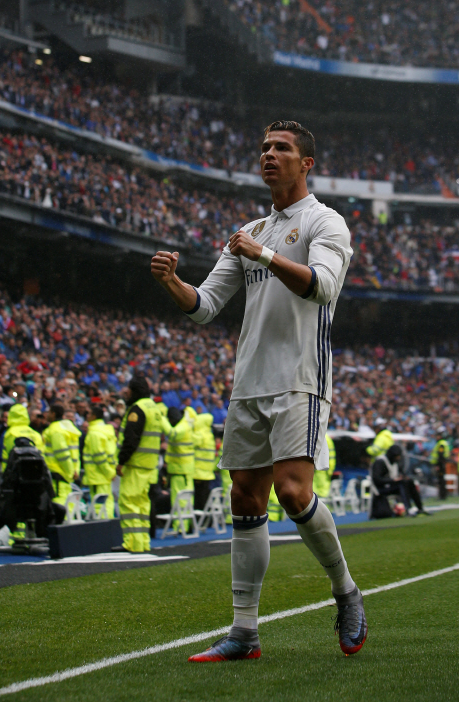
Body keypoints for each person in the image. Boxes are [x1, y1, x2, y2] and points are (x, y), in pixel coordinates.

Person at [151, 119, 366, 662]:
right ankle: (244, 633)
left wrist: (263, 255)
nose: (270, 155)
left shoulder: (326, 222)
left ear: (306, 163)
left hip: (300, 377)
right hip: (249, 382)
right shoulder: (249, 231)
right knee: (246, 500)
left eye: (283, 148)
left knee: (294, 492)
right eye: (265, 147)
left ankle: (345, 590)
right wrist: (172, 281)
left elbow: (322, 286)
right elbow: (204, 307)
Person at [116, 373, 169, 553]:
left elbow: (131, 439)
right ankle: (143, 543)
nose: (126, 393)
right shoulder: (154, 408)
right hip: (149, 466)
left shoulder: (137, 409)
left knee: (129, 503)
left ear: (133, 391)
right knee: (142, 505)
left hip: (135, 464)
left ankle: (131, 543)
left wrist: (121, 461)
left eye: (128, 390)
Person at [371, 445, 429, 517]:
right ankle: (408, 509)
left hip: (392, 485)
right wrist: (392, 480)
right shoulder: (380, 462)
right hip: (381, 489)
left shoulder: (394, 462)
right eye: (397, 456)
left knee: (409, 482)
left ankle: (420, 508)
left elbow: (400, 473)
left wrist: (403, 477)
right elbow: (377, 479)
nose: (398, 458)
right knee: (402, 484)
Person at [164, 407, 195, 532]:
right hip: (182, 471)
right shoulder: (186, 425)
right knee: (183, 500)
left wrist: (161, 419)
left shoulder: (182, 427)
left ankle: (181, 527)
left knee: (180, 501)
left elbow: (172, 434)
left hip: (180, 471)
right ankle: (184, 526)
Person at [82, 405, 116, 518]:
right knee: (108, 503)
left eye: (89, 413)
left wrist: (108, 472)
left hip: (97, 475)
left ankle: (103, 531)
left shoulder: (94, 433)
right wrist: (111, 471)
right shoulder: (107, 430)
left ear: (94, 416)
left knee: (99, 507)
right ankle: (109, 527)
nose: (87, 416)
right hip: (106, 474)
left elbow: (98, 456)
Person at [42, 404, 74, 506]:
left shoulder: (55, 430)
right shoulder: (62, 428)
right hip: (60, 471)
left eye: (49, 412)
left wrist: (70, 472)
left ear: (53, 414)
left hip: (58, 471)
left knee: (60, 501)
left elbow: (62, 454)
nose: (47, 415)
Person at [1, 404, 43, 472]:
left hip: (15, 472)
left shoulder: (10, 433)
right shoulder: (35, 433)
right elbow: (41, 453)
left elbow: (9, 455)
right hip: (35, 472)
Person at [193, 410, 216, 512]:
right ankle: (206, 522)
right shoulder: (209, 435)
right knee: (205, 500)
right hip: (207, 473)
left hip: (198, 473)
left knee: (198, 502)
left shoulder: (199, 434)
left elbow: (190, 442)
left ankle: (198, 522)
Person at [313, 433, 336, 498]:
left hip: (320, 470)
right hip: (322, 470)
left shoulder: (321, 437)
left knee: (320, 495)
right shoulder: (327, 438)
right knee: (322, 494)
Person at [430, 434, 450, 500]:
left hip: (440, 464)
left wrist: (438, 465)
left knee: (441, 480)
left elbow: (440, 454)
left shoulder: (441, 444)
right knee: (441, 480)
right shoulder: (442, 443)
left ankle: (442, 495)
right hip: (441, 464)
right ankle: (442, 494)